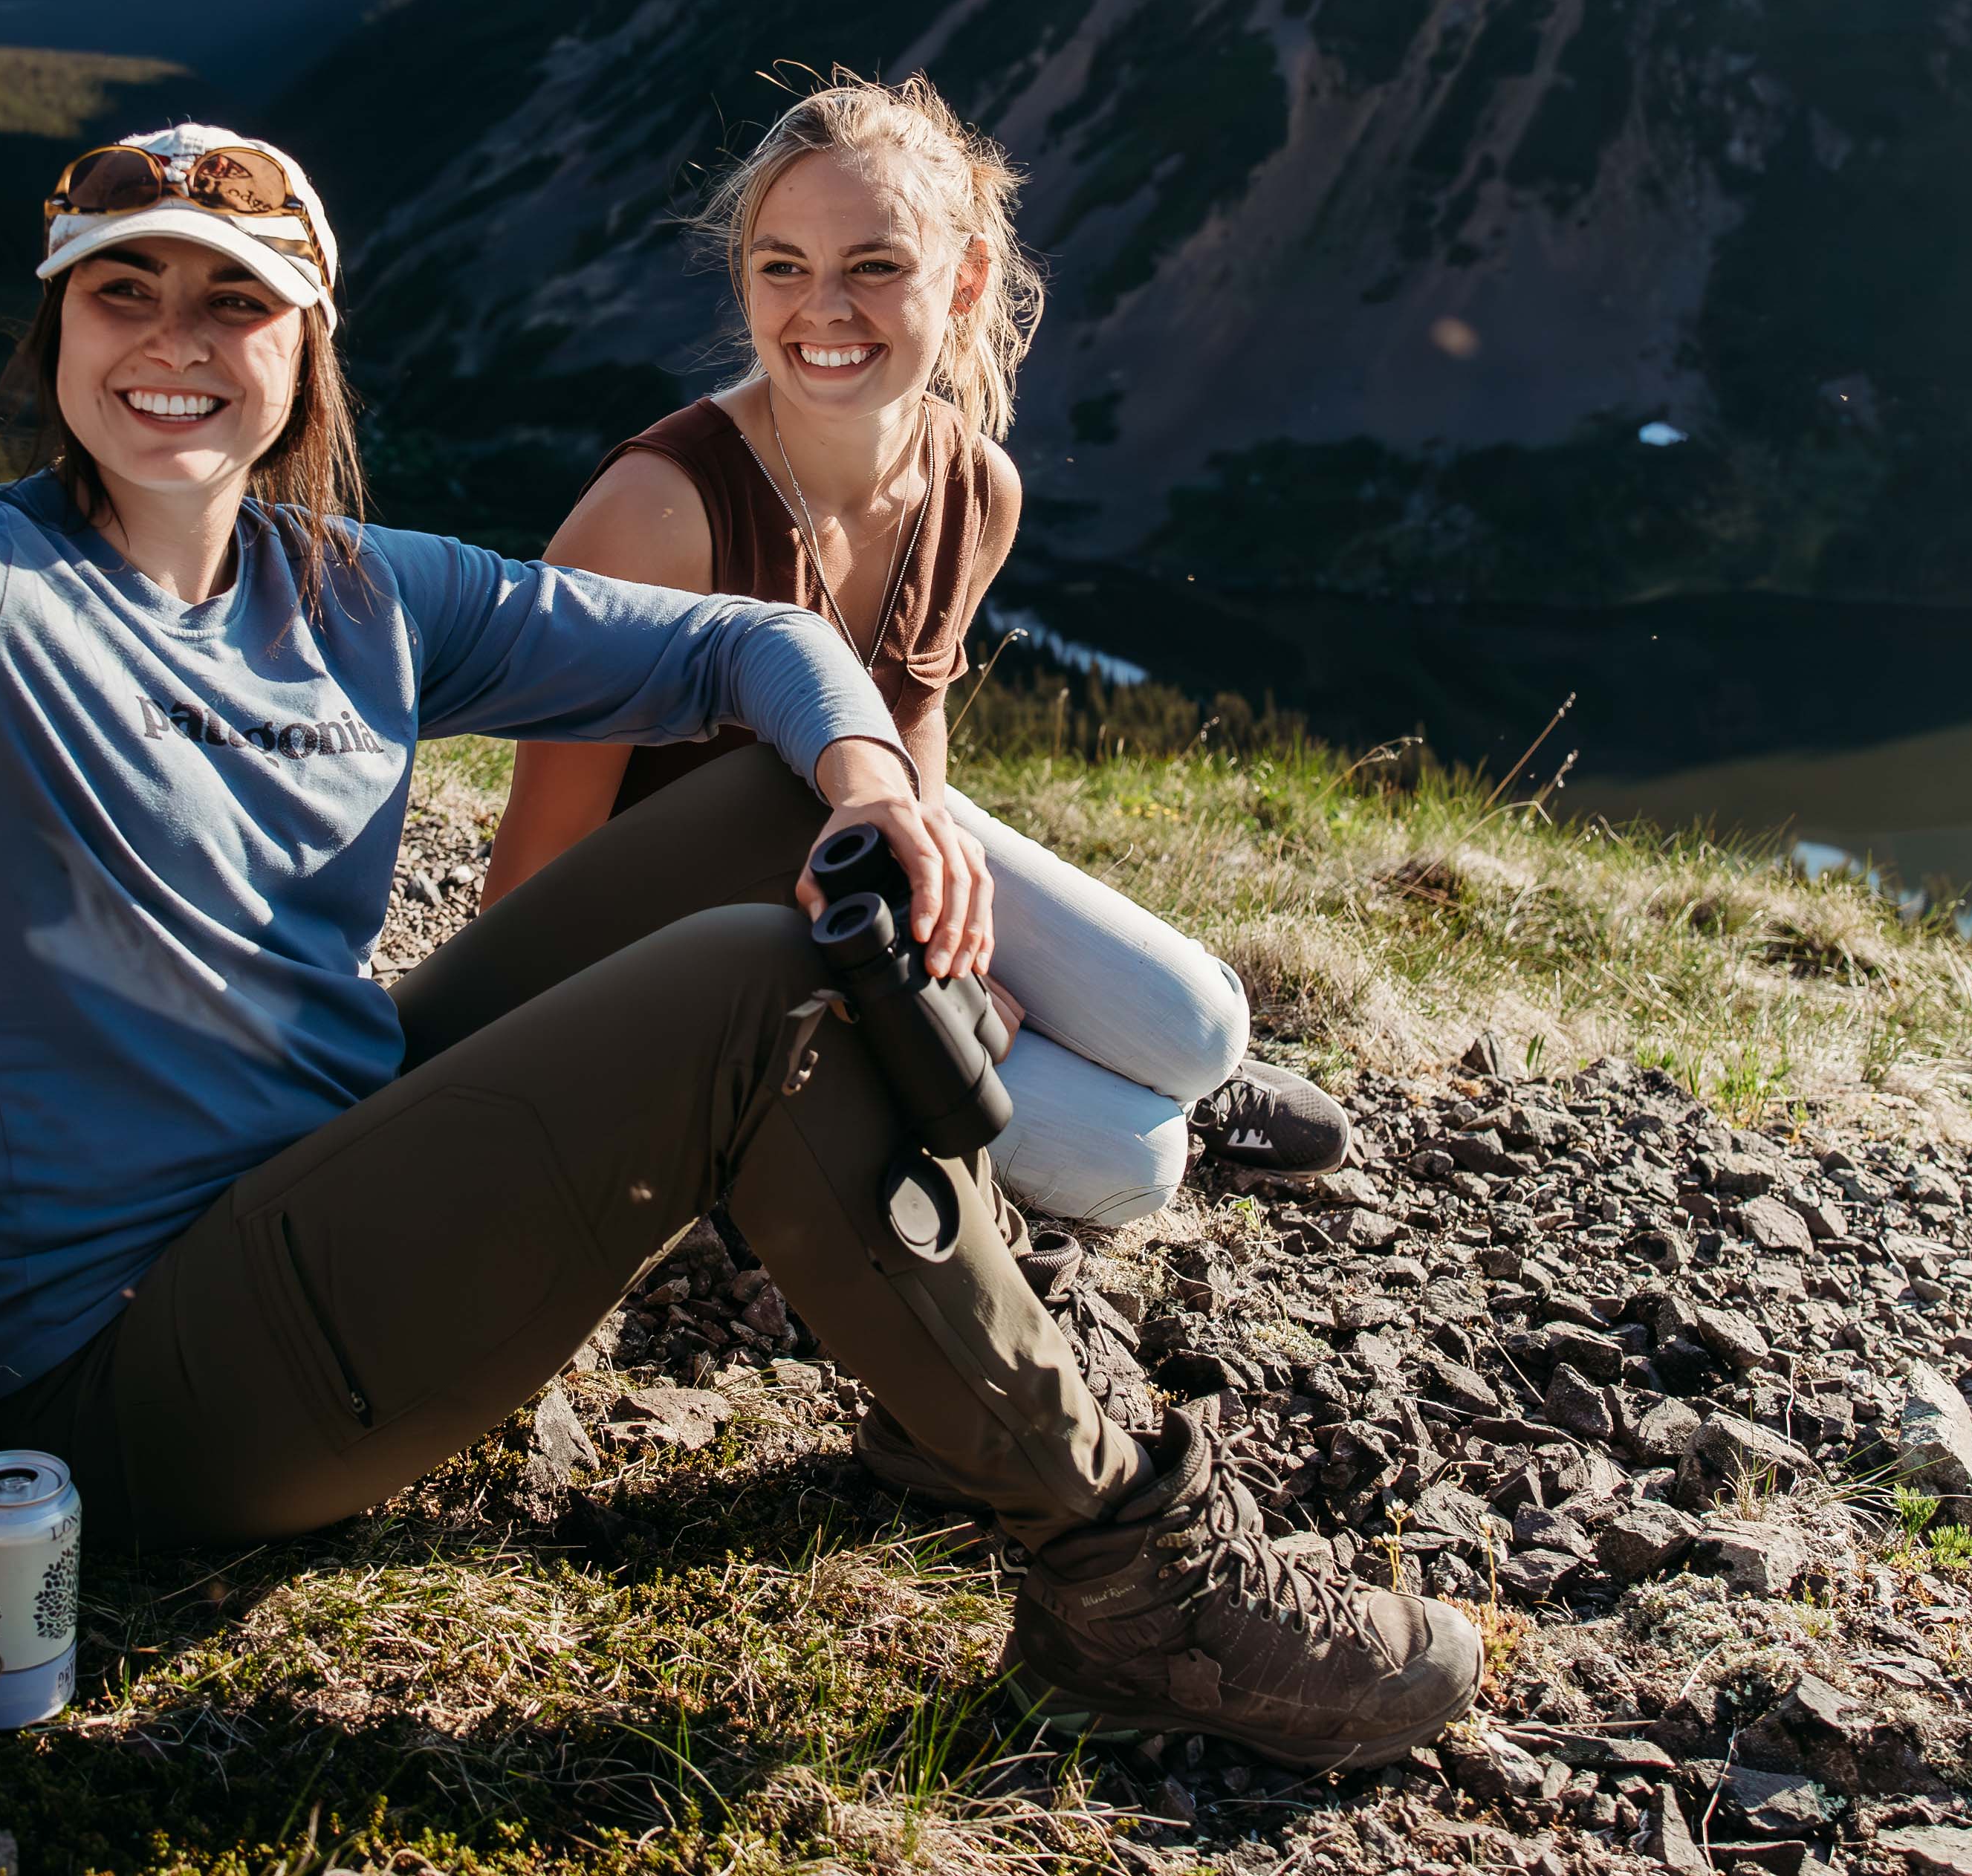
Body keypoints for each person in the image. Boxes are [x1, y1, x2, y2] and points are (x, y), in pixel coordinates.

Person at [0, 120, 1478, 1769]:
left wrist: (877, 771)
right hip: (140, 1377)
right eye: (122, 294)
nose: (173, 346)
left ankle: (938, 1364)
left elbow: (741, 652)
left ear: (305, 352)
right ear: (57, 332)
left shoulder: (358, 592)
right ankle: (1130, 1563)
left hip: (327, 1183)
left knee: (767, 807)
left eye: (233, 302)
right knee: (750, 991)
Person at [479, 71, 1354, 1233]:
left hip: (858, 857)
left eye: (875, 266)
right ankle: (1074, 1110)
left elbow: (914, 715)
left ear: (966, 280)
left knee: (1205, 1025)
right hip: (701, 948)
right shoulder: (657, 515)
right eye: (783, 267)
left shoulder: (975, 485)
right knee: (1134, 1165)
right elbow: (538, 866)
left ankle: (1167, 1077)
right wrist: (541, 1102)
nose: (823, 311)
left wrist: (933, 918)